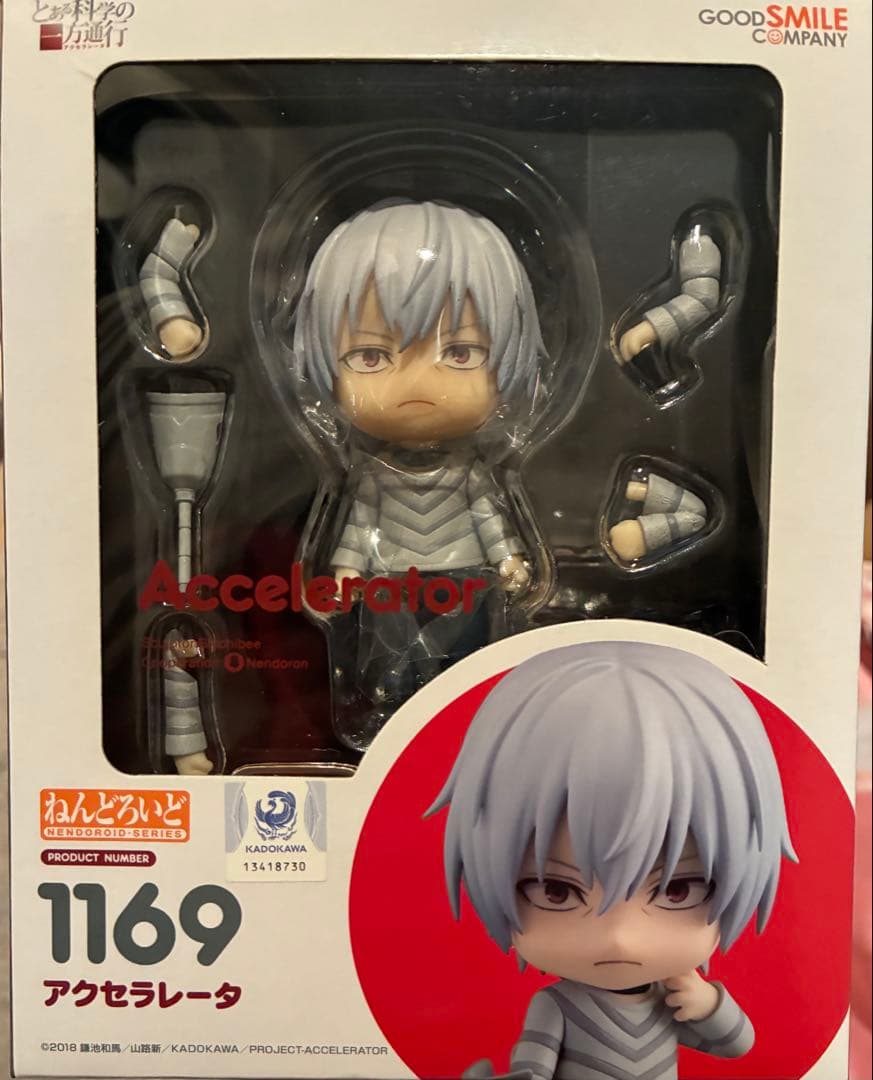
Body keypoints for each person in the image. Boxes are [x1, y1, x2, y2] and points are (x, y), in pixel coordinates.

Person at [429, 640, 796, 1080]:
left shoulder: (669, 998)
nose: (620, 938)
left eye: (677, 890)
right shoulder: (557, 1005)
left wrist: (710, 1005)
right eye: (556, 891)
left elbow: (735, 1045)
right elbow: (533, 1066)